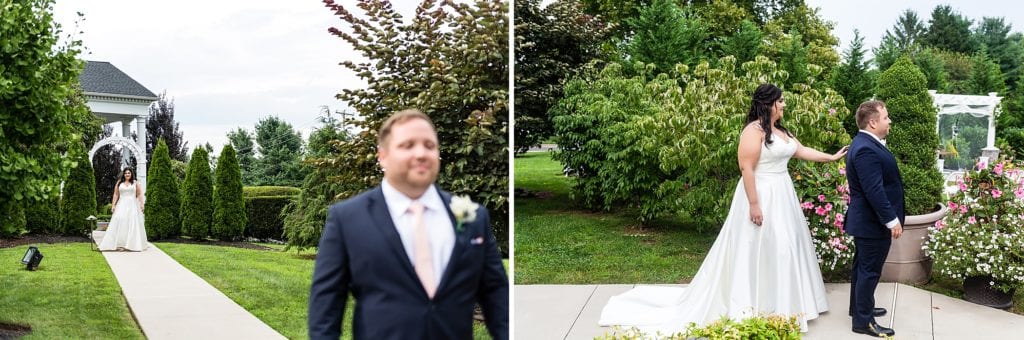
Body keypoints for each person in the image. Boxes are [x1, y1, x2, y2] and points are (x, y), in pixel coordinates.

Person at [598, 83, 847, 334]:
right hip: (761, 192)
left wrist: (832, 157)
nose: (783, 104)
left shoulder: (781, 131)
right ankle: (755, 302)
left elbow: (801, 151)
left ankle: (786, 303)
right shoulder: (753, 131)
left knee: (784, 247)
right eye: (780, 101)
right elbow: (746, 168)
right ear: (768, 104)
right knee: (759, 246)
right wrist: (754, 204)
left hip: (783, 193)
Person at [307, 109, 509, 340]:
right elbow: (325, 313)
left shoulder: (473, 217)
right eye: (408, 145)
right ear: (382, 156)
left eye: (429, 145)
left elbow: (497, 296)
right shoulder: (347, 219)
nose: (421, 153)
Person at [843, 100, 904, 337]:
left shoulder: (865, 143)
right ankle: (863, 321)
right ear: (872, 122)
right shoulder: (866, 148)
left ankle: (859, 308)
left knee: (862, 268)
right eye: (886, 117)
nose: (889, 122)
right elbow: (874, 190)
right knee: (869, 271)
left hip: (867, 221)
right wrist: (891, 220)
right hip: (872, 222)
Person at [98, 168, 148, 251]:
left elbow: (139, 194)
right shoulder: (119, 183)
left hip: (132, 205)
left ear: (131, 174)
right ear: (123, 174)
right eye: (125, 173)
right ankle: (120, 243)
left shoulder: (135, 183)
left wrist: (142, 205)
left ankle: (132, 244)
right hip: (121, 204)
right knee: (120, 220)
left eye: (129, 173)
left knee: (132, 222)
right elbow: (116, 194)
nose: (127, 174)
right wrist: (113, 205)